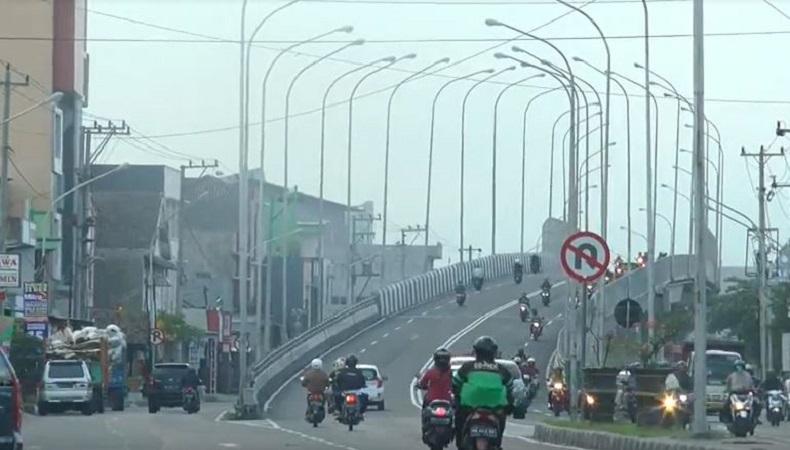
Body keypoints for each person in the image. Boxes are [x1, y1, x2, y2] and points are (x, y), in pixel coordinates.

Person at [452, 336, 514, 449]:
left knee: (459, 419)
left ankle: (460, 443)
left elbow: (455, 384)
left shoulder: (468, 367)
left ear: (476, 352)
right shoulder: (501, 370)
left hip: (470, 407)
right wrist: (510, 405)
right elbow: (510, 388)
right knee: (501, 420)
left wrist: (457, 397)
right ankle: (497, 442)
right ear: (494, 353)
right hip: (495, 409)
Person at [418, 349, 453, 438]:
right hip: (447, 400)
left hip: (432, 400)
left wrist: (420, 386)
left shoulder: (431, 372)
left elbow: (422, 383)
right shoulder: (451, 373)